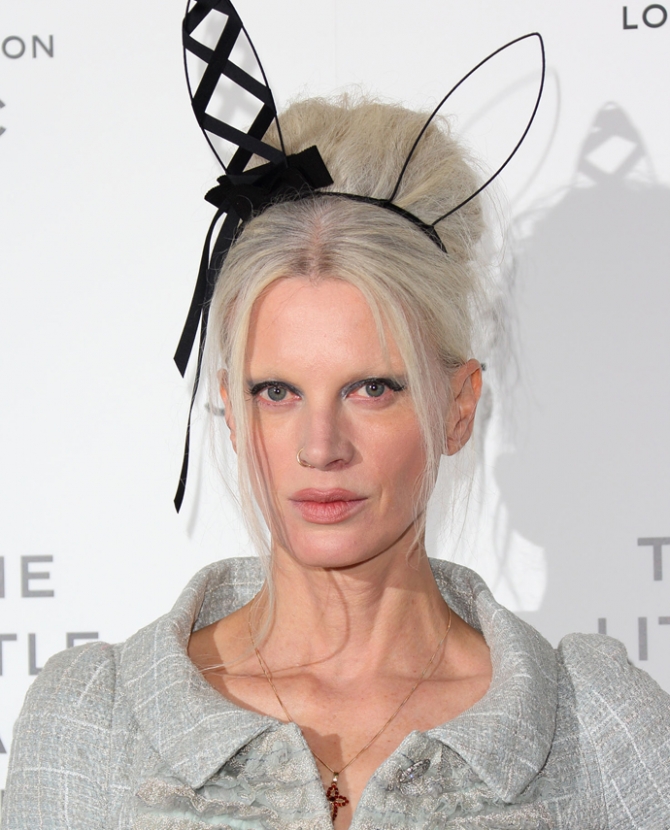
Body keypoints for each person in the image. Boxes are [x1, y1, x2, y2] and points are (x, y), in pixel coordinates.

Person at [3, 92, 670, 830]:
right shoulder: (90, 724)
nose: (321, 447)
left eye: (372, 389)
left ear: (458, 407)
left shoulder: (600, 732)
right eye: (277, 392)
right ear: (232, 411)